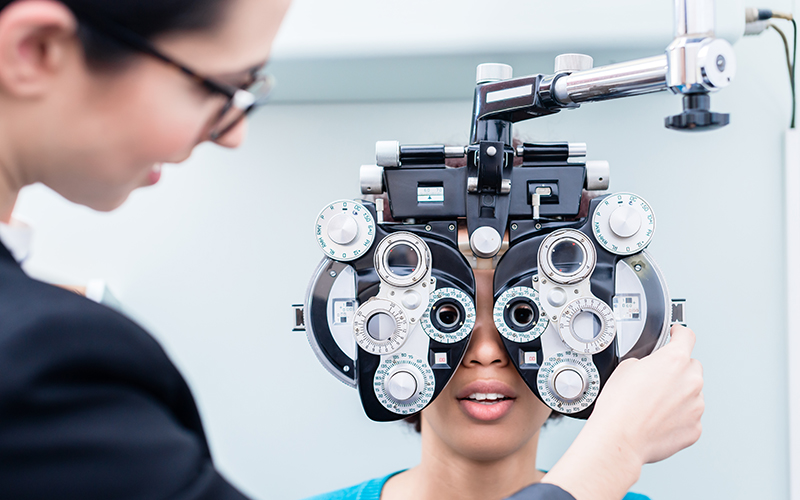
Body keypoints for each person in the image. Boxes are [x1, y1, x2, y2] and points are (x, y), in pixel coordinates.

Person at [0, 1, 703, 499]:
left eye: (522, 318)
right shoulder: (46, 364)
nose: (487, 350)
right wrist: (609, 457)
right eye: (217, 86)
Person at [306, 270, 703, 500]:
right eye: (447, 314)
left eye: (522, 314)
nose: (485, 352)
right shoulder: (606, 478)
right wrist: (616, 453)